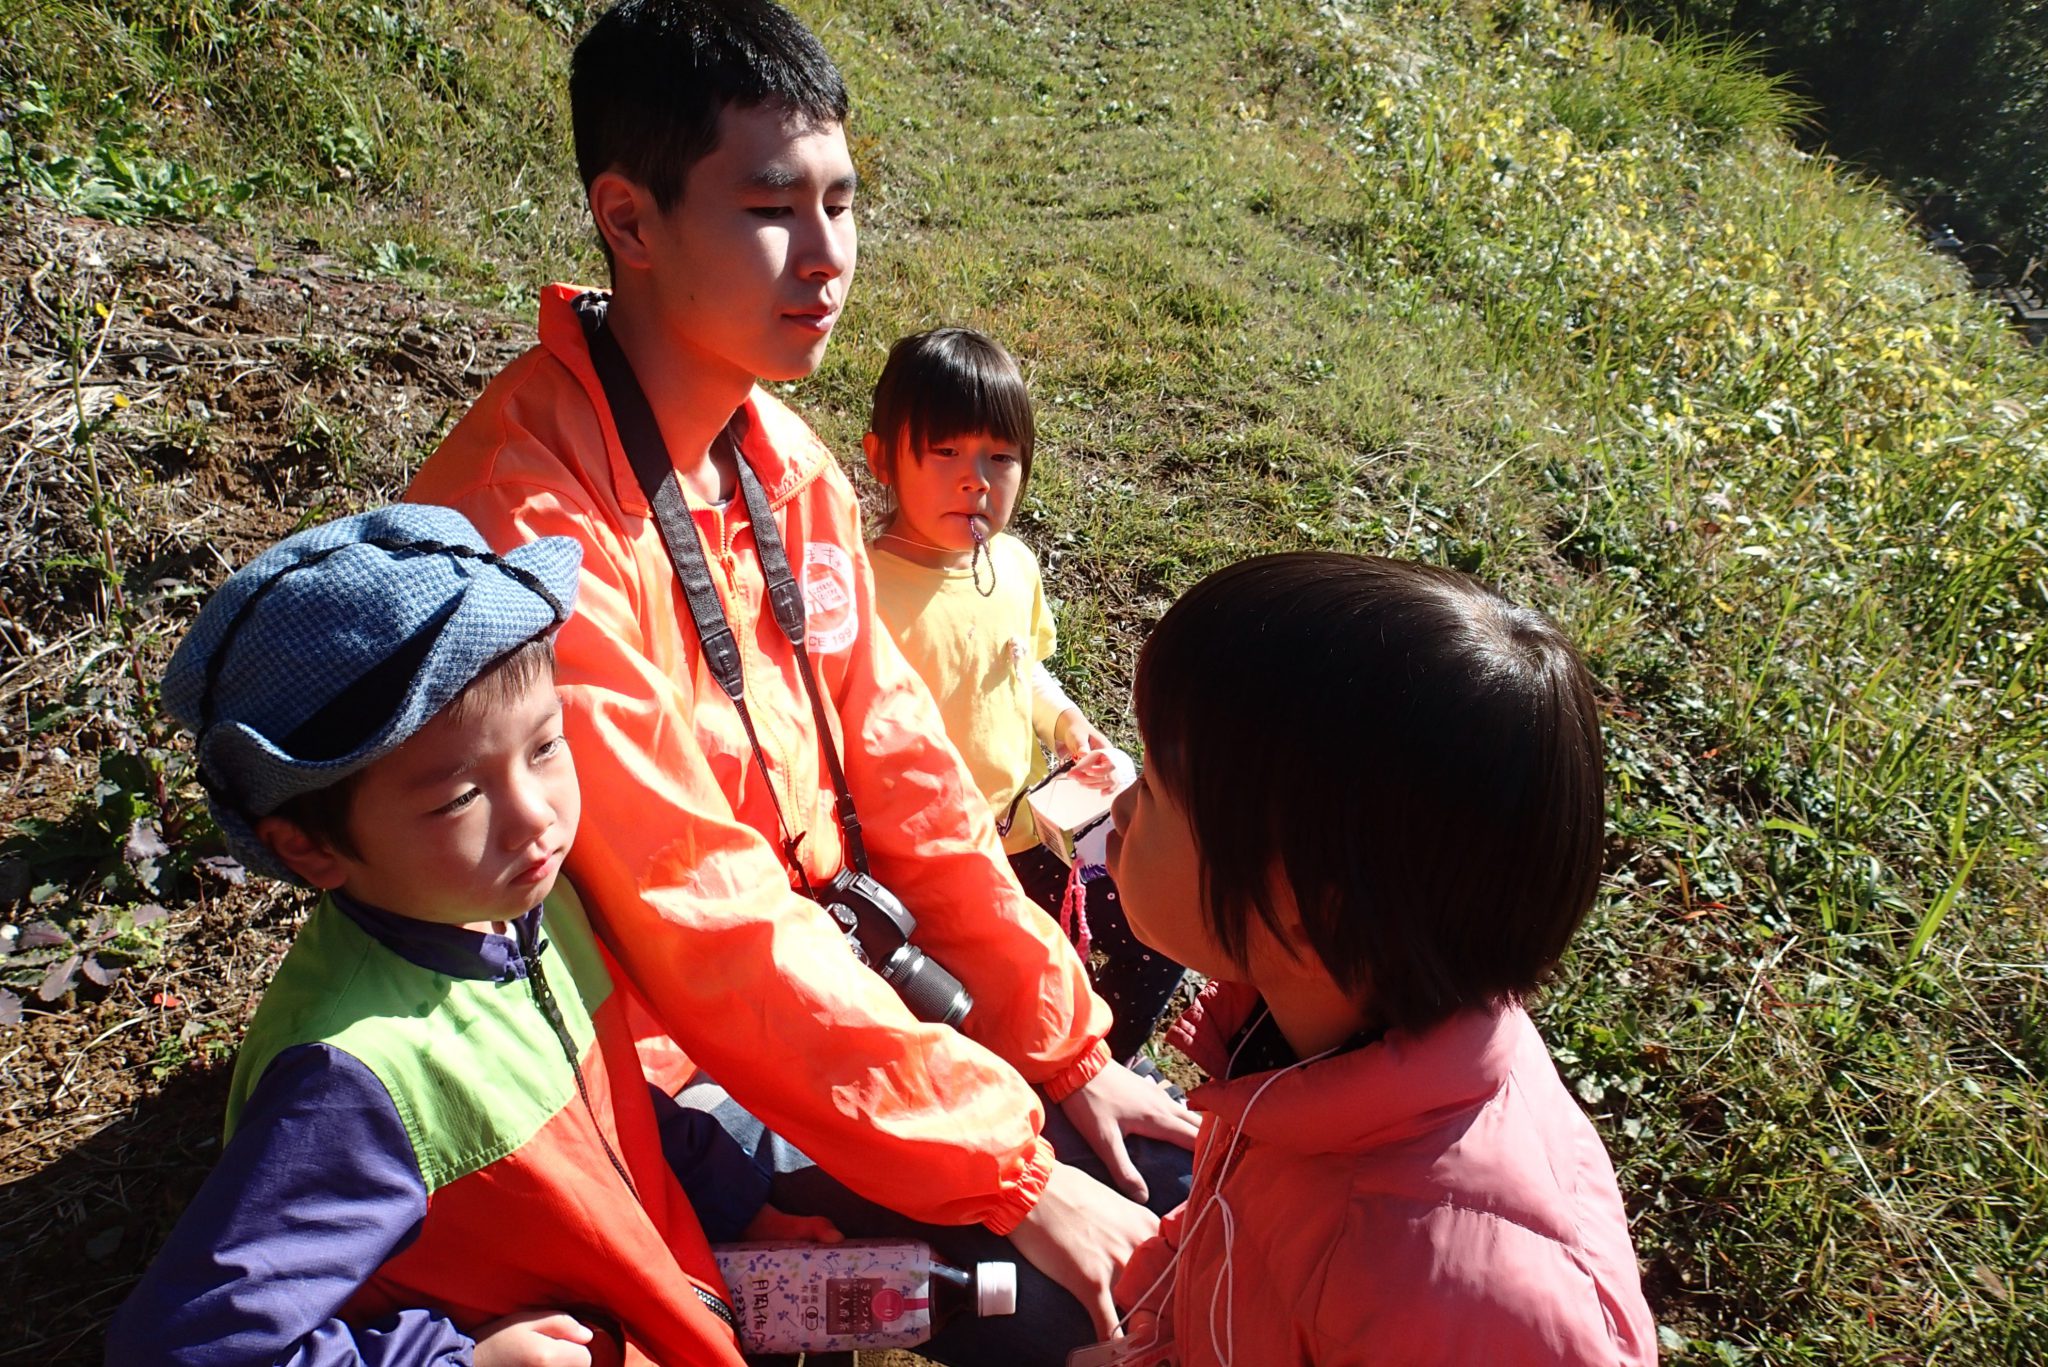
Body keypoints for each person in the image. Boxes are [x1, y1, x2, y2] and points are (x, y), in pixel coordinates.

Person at [403, 1, 1195, 1357]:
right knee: (1074, 1300)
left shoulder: (780, 460)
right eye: (772, 209)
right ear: (628, 219)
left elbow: (909, 777)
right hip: (667, 1085)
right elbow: (697, 918)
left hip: (839, 992)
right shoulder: (530, 533)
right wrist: (1012, 1170)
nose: (827, 258)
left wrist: (1066, 1053)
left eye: (841, 201)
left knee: (1172, 1188)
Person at [109, 505, 834, 1367]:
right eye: (460, 797)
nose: (535, 817)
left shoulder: (527, 904)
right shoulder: (351, 1082)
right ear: (307, 846)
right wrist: (452, 1360)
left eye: (546, 746)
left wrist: (740, 1201)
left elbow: (606, 1105)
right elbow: (182, 1348)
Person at [1106, 553, 1659, 1365]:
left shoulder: (1458, 1305)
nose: (1120, 805)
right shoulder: (1315, 1046)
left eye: (1152, 788)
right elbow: (1239, 1237)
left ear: (1305, 912)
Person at [862, 326, 1187, 1064]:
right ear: (881, 459)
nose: (975, 479)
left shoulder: (1012, 565)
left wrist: (1066, 724)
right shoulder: (866, 591)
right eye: (945, 451)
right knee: (991, 1000)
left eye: (1000, 457)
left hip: (1030, 831)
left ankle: (1104, 1062)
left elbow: (1023, 668)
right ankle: (1033, 1070)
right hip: (936, 867)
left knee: (1156, 932)